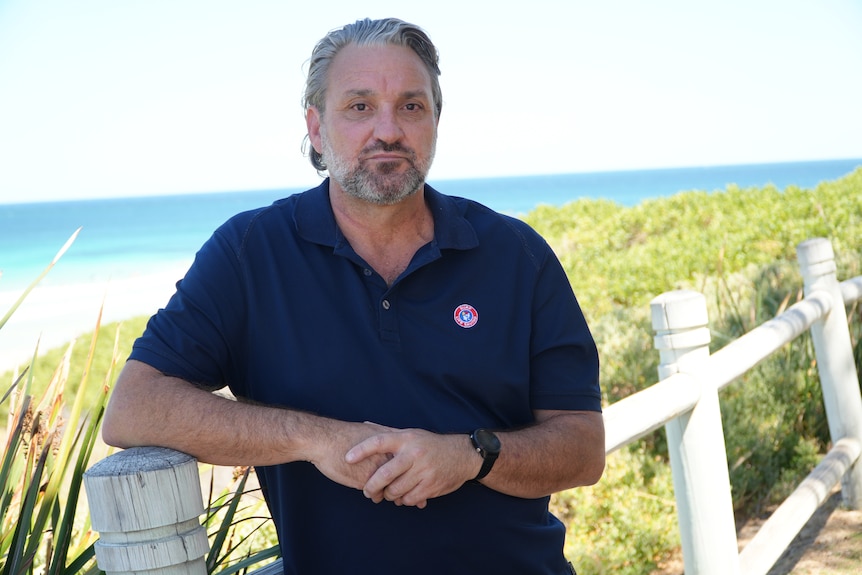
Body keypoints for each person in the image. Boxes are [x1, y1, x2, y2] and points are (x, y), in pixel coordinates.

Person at [102, 17, 604, 575]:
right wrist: (318, 439)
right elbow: (133, 408)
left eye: (411, 106)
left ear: (436, 121)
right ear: (316, 129)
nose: (388, 130)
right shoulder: (250, 253)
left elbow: (582, 446)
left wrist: (470, 455)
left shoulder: (516, 255)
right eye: (360, 107)